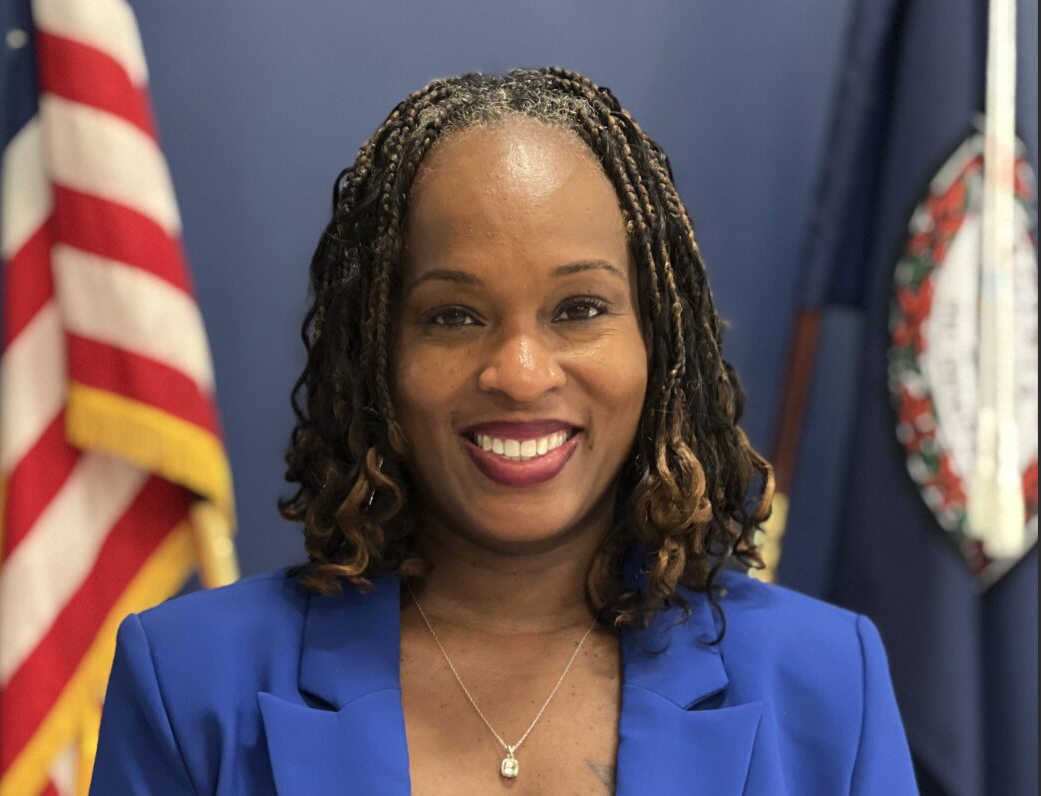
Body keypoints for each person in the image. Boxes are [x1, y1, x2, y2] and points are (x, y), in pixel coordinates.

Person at [90, 68, 919, 795]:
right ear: (377, 356)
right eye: (453, 316)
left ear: (658, 344)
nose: (521, 373)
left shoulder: (823, 682)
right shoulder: (190, 682)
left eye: (580, 309)